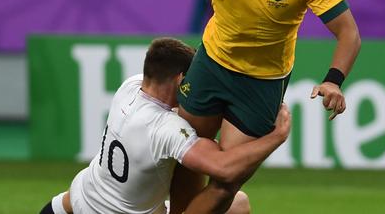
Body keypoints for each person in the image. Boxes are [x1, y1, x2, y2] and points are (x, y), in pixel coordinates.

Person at [44, 0, 361, 213]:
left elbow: (349, 34)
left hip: (262, 84)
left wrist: (333, 80)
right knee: (189, 160)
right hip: (211, 67)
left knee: (228, 184)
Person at [39, 38, 291, 214]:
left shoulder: (129, 87)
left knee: (73, 198)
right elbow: (223, 168)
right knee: (238, 204)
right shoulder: (167, 129)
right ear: (181, 79)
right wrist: (276, 137)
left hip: (82, 198)